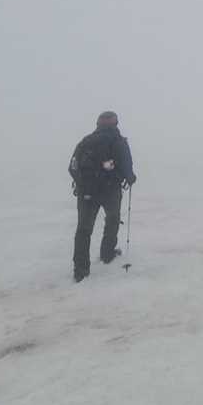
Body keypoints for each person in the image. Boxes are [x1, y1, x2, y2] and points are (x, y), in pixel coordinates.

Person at [68, 110, 136, 282]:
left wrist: (82, 184)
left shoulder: (85, 142)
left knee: (84, 229)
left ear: (98, 124)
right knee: (112, 219)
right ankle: (107, 253)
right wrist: (129, 178)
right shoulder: (119, 142)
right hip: (110, 191)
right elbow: (127, 167)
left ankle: (80, 271)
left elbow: (72, 167)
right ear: (115, 124)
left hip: (86, 192)